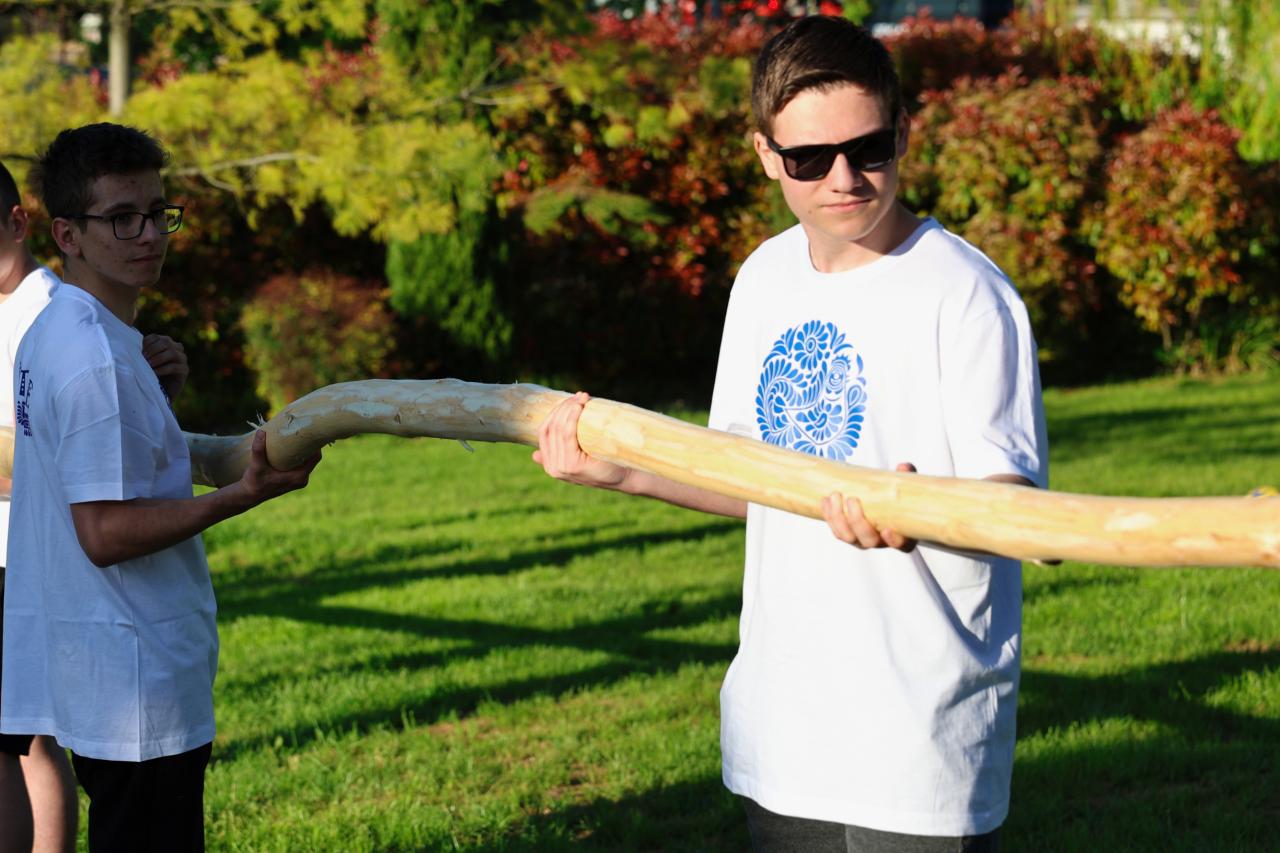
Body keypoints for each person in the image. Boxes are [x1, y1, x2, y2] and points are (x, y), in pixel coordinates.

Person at [534, 16, 1047, 853]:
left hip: (917, 735)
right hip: (783, 726)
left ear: (902, 133)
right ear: (767, 155)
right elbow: (752, 480)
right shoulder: (764, 277)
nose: (844, 178)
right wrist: (621, 473)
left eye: (868, 149)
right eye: (810, 158)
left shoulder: (965, 294)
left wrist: (917, 514)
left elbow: (1021, 509)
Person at [0, 123, 320, 852]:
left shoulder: (64, 330)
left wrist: (157, 404)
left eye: (157, 212)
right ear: (67, 234)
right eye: (121, 218)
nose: (148, 234)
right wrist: (244, 493)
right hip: (134, 678)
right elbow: (103, 532)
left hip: (109, 666)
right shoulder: (93, 355)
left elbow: (99, 465)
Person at [0, 160, 77, 853]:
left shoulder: (44, 310)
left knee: (24, 737)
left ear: (18, 223)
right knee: (22, 736)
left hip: (17, 556)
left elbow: (42, 447)